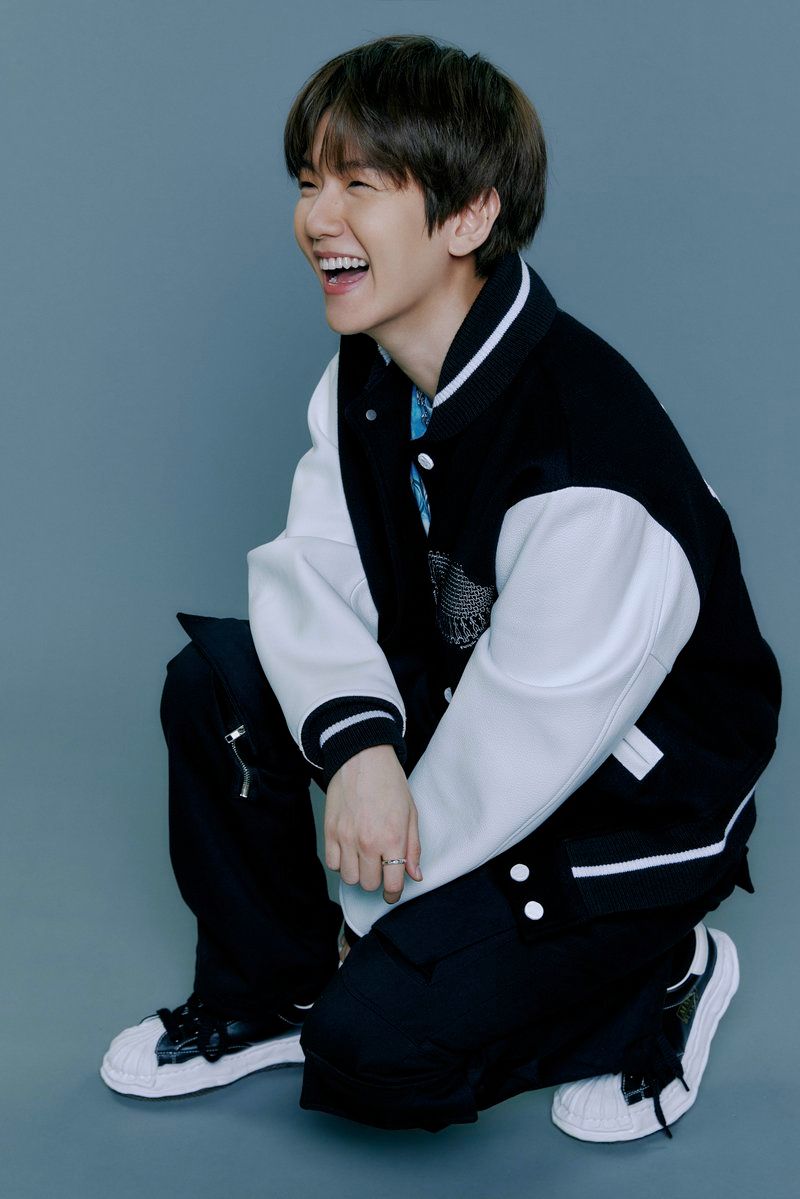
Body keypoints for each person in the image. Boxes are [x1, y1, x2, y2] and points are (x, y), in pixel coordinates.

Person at [100, 34, 782, 1140]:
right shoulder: (372, 365)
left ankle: (665, 972)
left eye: (360, 184)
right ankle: (269, 994)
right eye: (309, 182)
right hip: (470, 706)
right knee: (214, 685)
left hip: (620, 800)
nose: (317, 218)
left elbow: (526, 740)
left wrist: (368, 913)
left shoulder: (583, 460)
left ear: (468, 216)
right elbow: (310, 565)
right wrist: (358, 748)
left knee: (377, 1046)